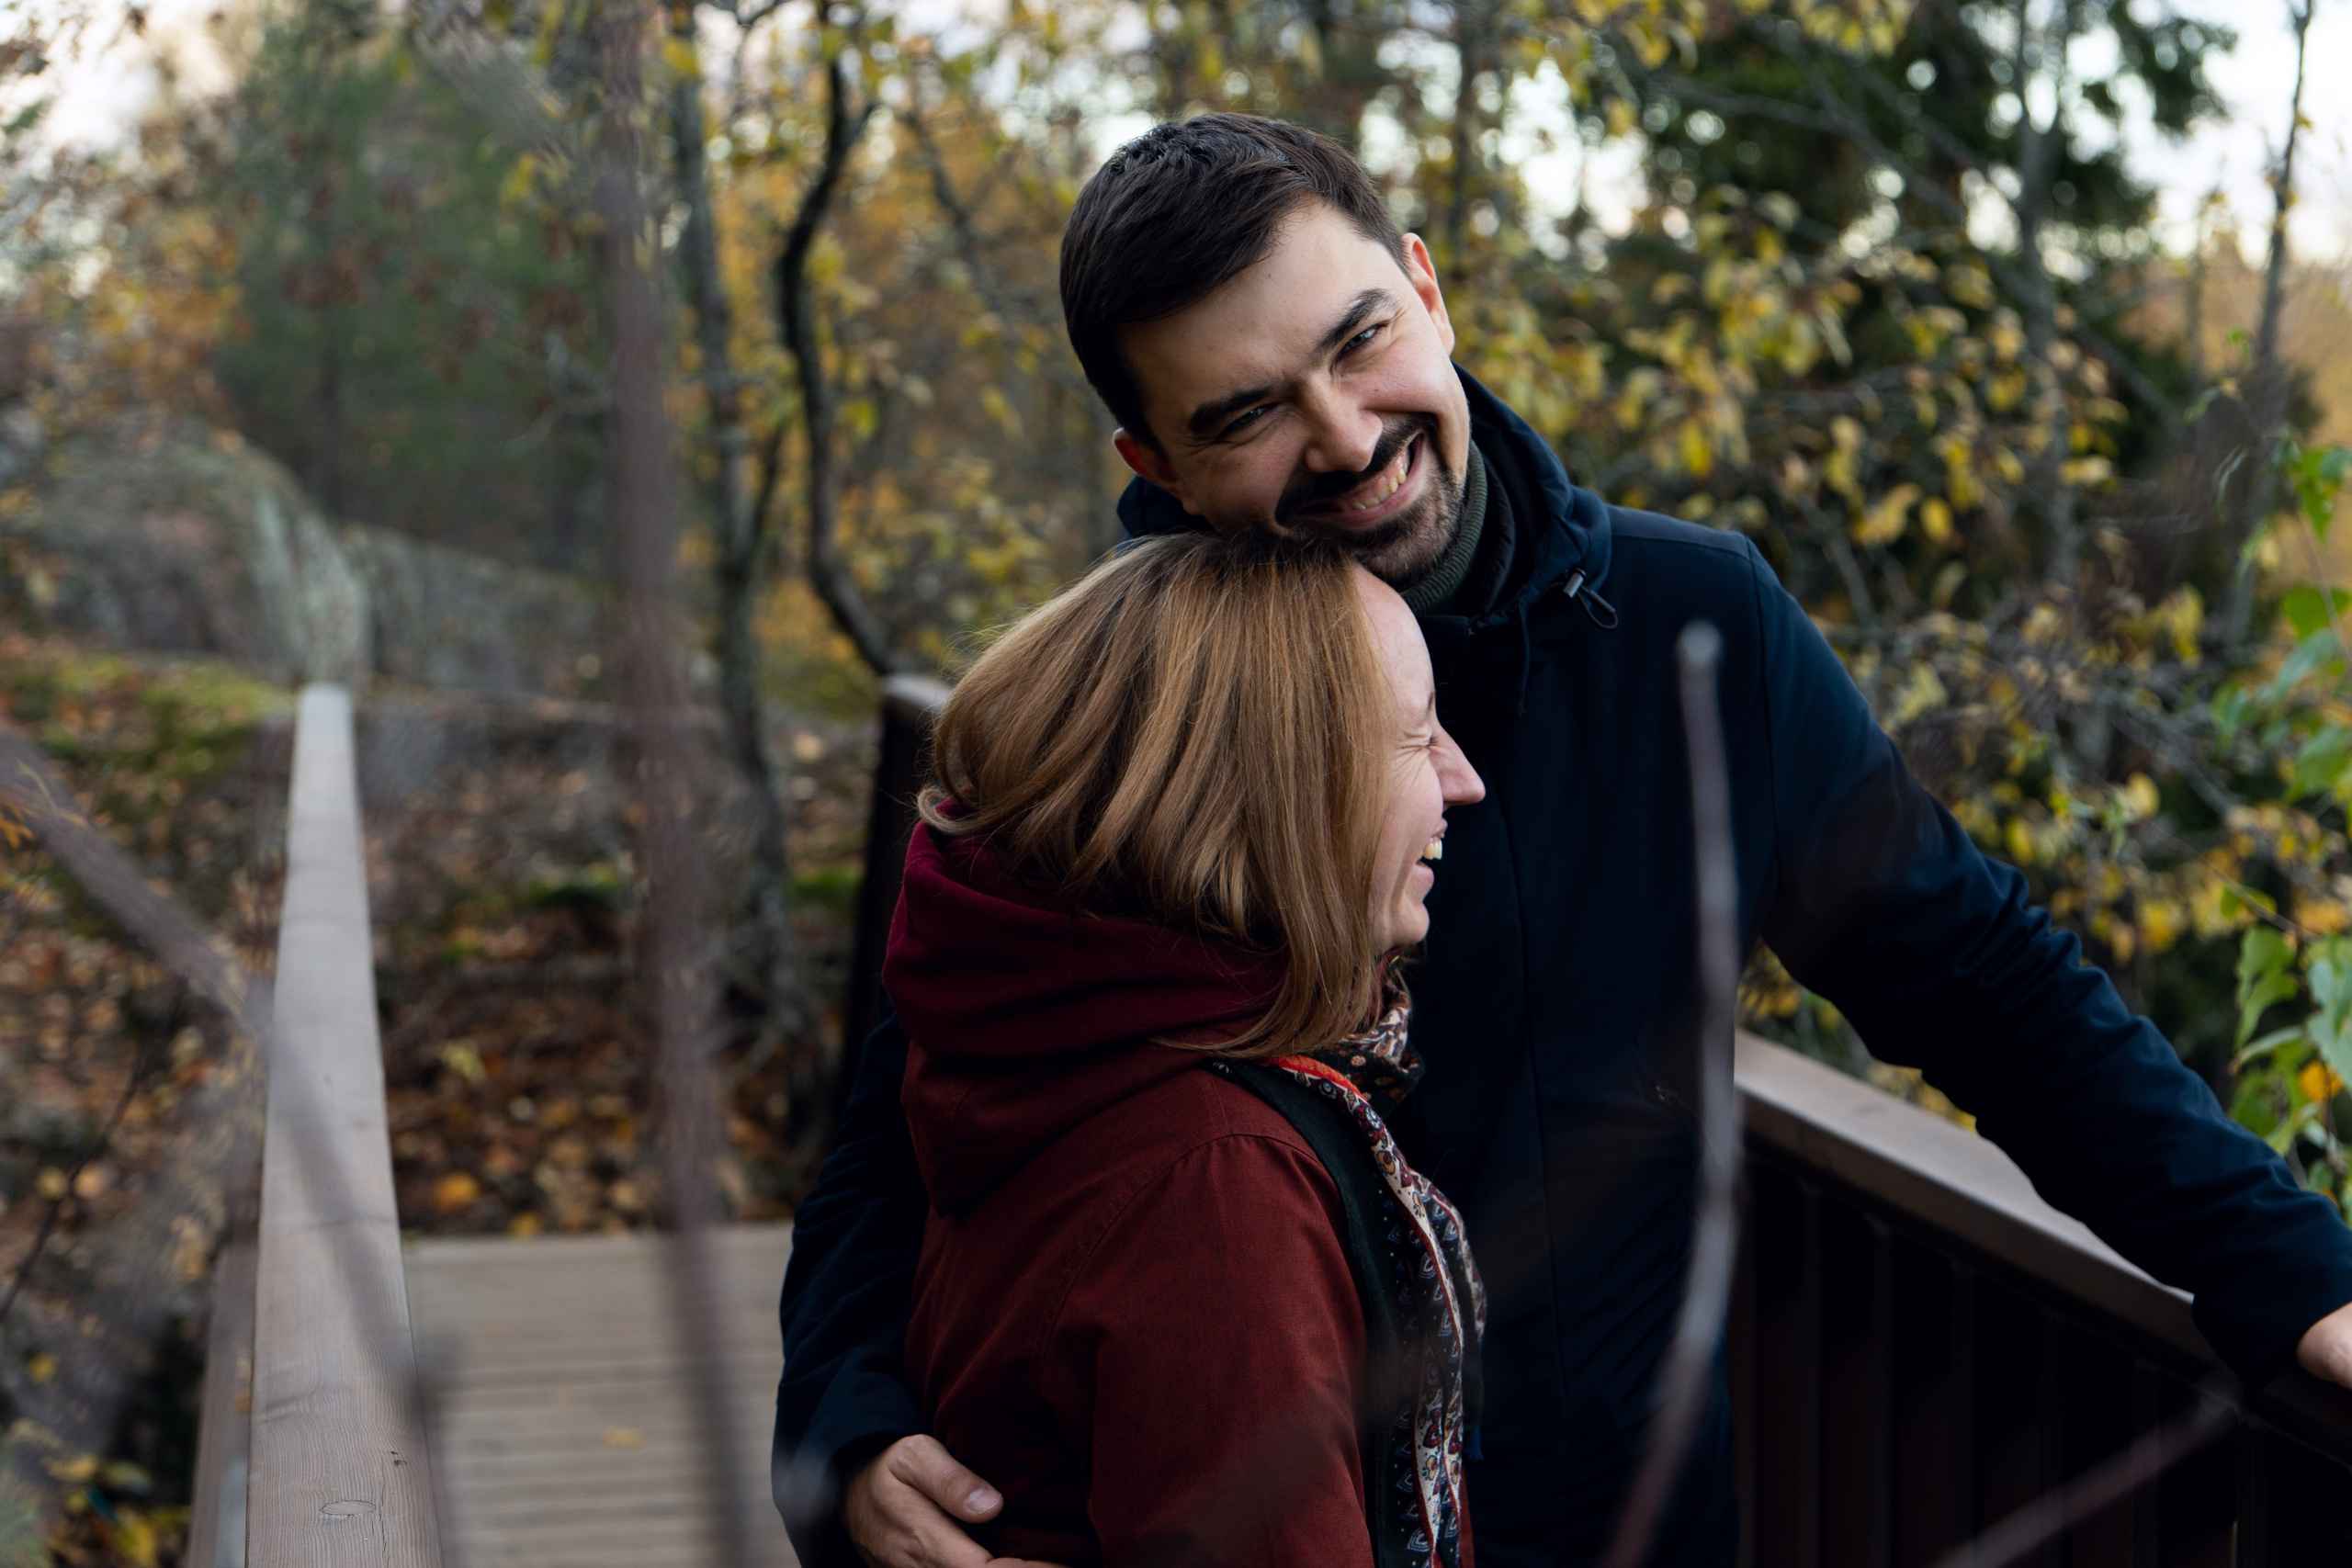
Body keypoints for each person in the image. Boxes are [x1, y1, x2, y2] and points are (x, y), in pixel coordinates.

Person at [776, 115, 2352, 1568]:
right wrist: (840, 1419)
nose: (1341, 438)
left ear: (1429, 291)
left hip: (1633, 1515)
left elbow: (1977, 973)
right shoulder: (1146, 713)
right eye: (1249, 411)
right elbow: (935, 1084)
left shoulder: (1694, 624)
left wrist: (2296, 1271)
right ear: (1158, 467)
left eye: (1359, 341)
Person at [888, 530, 1486, 1567]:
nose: (1463, 779)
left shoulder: (1055, 1033)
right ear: (1282, 786)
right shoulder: (1213, 1184)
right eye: (1416, 733)